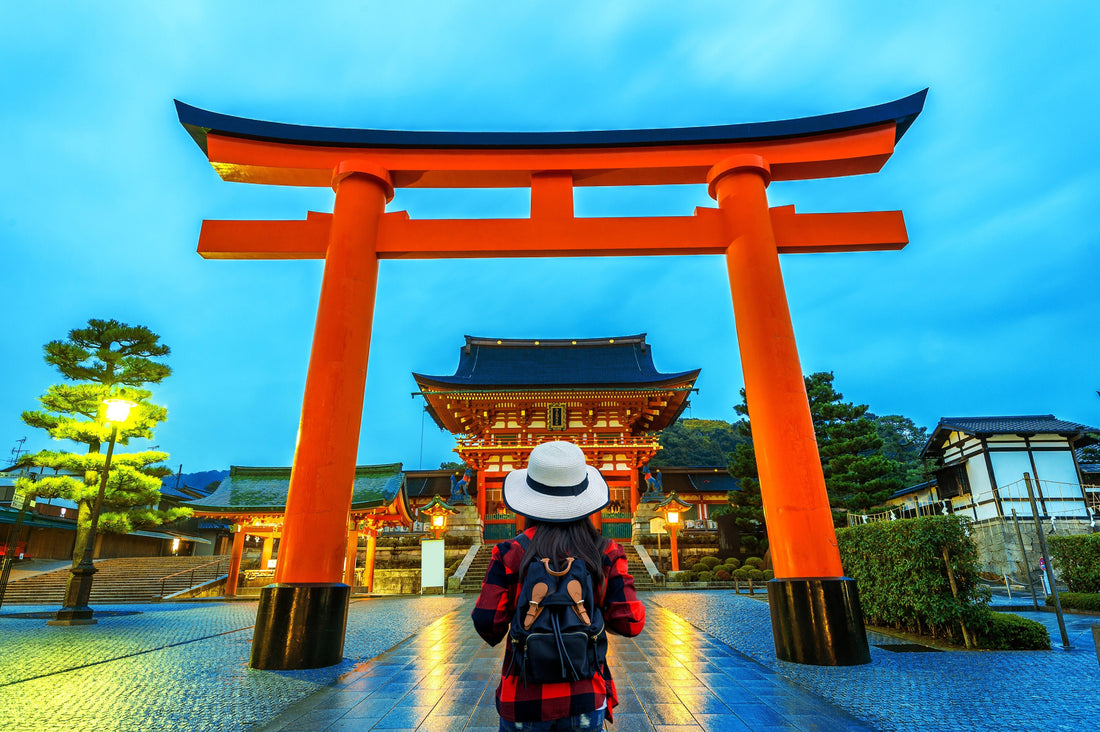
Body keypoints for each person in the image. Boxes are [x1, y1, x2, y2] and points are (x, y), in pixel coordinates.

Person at [472, 441, 646, 731]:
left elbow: (487, 622)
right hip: (586, 695)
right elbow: (631, 622)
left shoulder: (509, 553)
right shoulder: (605, 551)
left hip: (521, 696)